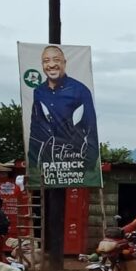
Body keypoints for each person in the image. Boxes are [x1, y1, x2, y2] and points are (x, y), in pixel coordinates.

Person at [27, 45, 99, 185]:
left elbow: (91, 129)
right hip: (47, 165)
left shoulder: (80, 90)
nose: (51, 64)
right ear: (42, 65)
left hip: (73, 163)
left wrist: (89, 165)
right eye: (46, 61)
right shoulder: (39, 92)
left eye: (56, 60)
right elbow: (35, 129)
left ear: (64, 63)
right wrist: (33, 164)